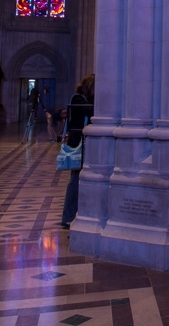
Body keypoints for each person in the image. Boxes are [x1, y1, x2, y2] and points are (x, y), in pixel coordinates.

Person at [60, 74, 95, 229]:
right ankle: (68, 216)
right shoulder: (77, 98)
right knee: (75, 180)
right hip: (77, 145)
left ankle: (80, 212)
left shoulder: (86, 99)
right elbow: (89, 111)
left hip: (85, 144)